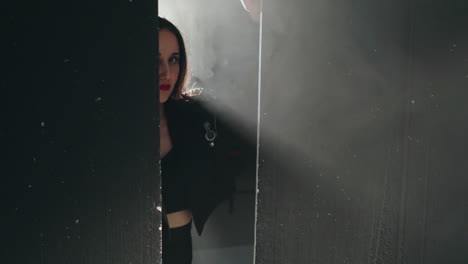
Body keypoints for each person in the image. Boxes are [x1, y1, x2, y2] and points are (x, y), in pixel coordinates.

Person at [158, 16, 251, 264]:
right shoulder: (114, 127)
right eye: (153, 59)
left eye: (173, 59)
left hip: (178, 245)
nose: (165, 72)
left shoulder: (192, 115)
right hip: (125, 244)